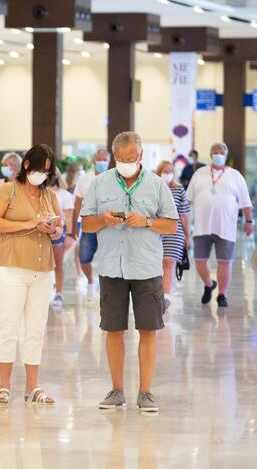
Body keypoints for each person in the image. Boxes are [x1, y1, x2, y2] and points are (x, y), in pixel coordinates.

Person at [81, 131, 178, 413]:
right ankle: (117, 390)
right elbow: (86, 224)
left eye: (131, 158)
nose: (126, 163)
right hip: (112, 266)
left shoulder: (158, 185)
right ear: (114, 157)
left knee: (148, 329)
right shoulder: (99, 184)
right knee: (113, 330)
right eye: (121, 159)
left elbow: (171, 225)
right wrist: (102, 219)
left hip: (146, 267)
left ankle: (145, 392)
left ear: (141, 156)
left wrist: (147, 221)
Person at [0, 144, 63, 407]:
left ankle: (33, 386)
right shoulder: (8, 190)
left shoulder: (49, 196)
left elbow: (59, 229)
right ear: (28, 165)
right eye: (41, 169)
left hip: (42, 270)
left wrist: (53, 230)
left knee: (36, 328)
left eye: (48, 171)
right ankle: (4, 386)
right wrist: (29, 224)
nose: (43, 175)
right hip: (9, 267)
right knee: (9, 327)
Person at [186, 142, 254, 307]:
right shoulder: (199, 174)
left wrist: (249, 221)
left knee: (225, 261)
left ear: (226, 154)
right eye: (215, 152)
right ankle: (209, 284)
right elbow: (187, 200)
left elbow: (246, 202)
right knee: (199, 260)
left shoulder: (235, 176)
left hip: (226, 227)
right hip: (202, 226)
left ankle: (222, 294)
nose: (218, 154)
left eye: (221, 152)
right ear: (210, 155)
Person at [72, 148, 110, 296]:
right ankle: (90, 281)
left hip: (109, 226)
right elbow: (77, 203)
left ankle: (108, 287)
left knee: (109, 260)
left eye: (104, 160)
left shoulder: (114, 179)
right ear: (94, 161)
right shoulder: (85, 179)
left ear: (109, 161)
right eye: (99, 160)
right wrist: (74, 225)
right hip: (89, 224)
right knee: (83, 258)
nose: (101, 163)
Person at [154, 160, 191, 310]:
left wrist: (187, 236)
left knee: (168, 262)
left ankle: (166, 296)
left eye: (170, 171)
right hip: (155, 230)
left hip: (175, 231)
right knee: (156, 264)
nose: (167, 174)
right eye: (165, 171)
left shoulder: (179, 190)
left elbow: (184, 214)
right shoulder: (151, 189)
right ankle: (156, 294)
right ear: (159, 172)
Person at [49, 169, 75, 307]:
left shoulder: (64, 195)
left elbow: (69, 217)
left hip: (58, 232)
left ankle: (58, 293)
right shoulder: (38, 192)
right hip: (41, 232)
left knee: (58, 265)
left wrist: (69, 235)